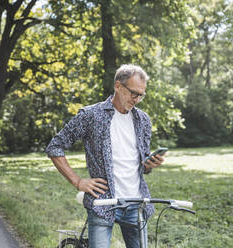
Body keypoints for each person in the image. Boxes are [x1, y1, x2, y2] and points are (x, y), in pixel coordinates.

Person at [45, 64, 165, 248]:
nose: (137, 99)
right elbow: (55, 147)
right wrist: (78, 182)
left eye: (141, 95)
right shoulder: (91, 115)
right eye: (133, 93)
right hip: (103, 202)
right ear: (118, 86)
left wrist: (149, 164)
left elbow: (142, 166)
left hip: (136, 204)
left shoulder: (143, 120)